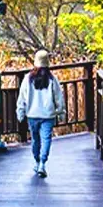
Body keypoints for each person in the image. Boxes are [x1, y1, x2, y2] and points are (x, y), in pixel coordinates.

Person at [15, 49, 65, 177]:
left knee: (35, 139)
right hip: (48, 115)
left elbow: (22, 97)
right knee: (46, 139)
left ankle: (37, 161)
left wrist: (20, 112)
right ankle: (43, 163)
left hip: (32, 114)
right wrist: (61, 112)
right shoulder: (52, 79)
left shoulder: (28, 79)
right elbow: (58, 97)